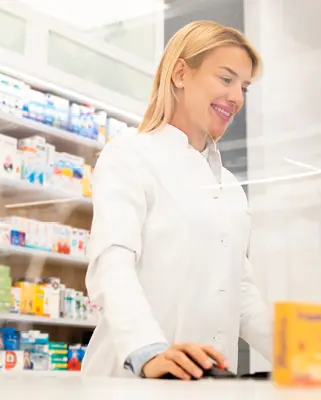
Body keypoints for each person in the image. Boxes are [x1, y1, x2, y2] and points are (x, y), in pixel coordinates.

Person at [82, 20, 272, 380]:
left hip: (207, 380)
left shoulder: (230, 187)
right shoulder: (130, 154)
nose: (237, 98)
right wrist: (147, 350)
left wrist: (301, 354)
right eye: (226, 79)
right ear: (181, 73)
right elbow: (112, 260)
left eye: (244, 87)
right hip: (134, 379)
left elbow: (240, 290)